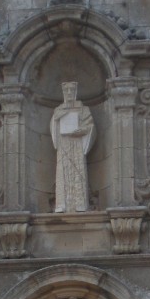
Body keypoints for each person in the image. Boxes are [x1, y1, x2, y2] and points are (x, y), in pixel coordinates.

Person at [51, 81, 96, 212]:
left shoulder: (83, 109)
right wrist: (58, 118)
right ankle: (61, 204)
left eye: (72, 90)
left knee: (78, 170)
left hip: (77, 143)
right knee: (63, 172)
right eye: (67, 90)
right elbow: (54, 127)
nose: (69, 93)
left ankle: (80, 204)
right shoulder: (58, 110)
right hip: (63, 144)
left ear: (76, 92)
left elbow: (90, 126)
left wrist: (82, 130)